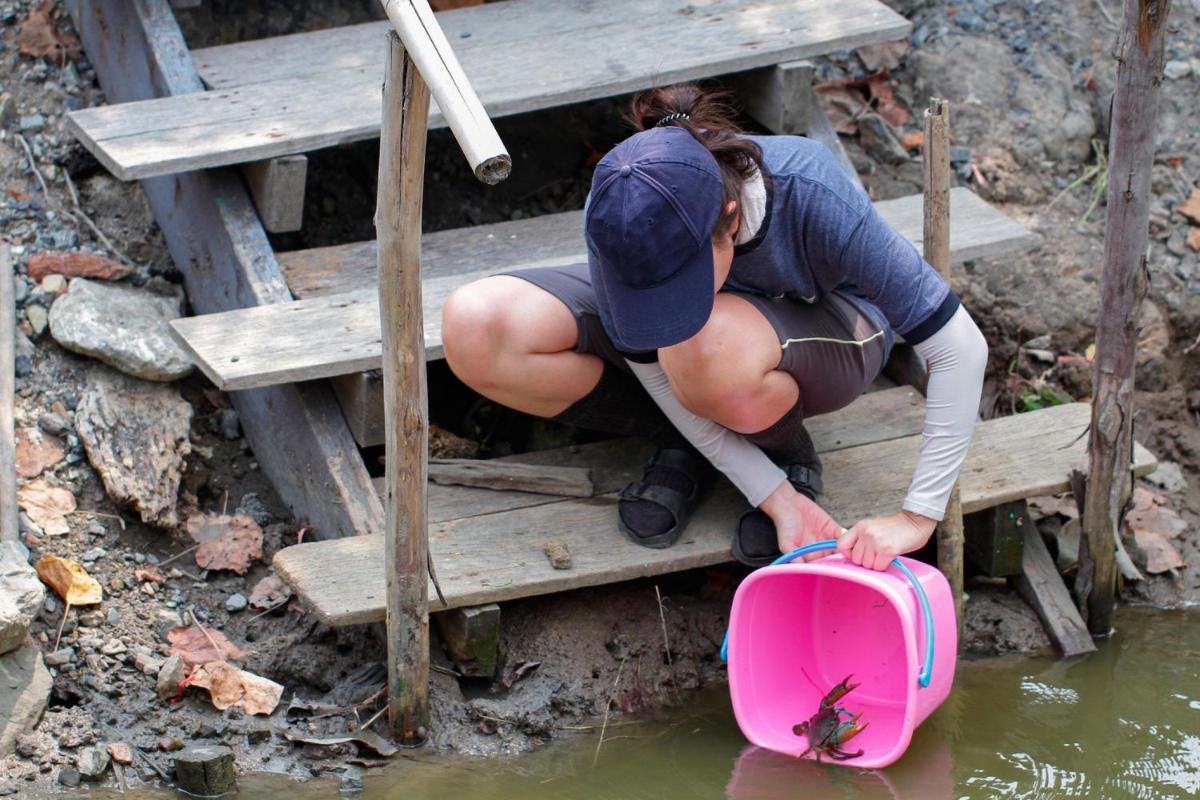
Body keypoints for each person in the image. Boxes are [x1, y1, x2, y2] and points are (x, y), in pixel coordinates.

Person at [441, 84, 987, 570]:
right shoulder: (623, 197)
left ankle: (782, 446)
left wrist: (917, 517)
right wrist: (777, 498)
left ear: (729, 216)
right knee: (478, 324)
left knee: (702, 344)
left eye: (682, 282)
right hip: (704, 361)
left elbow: (960, 348)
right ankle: (705, 446)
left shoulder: (810, 187)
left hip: (833, 326)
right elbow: (650, 365)